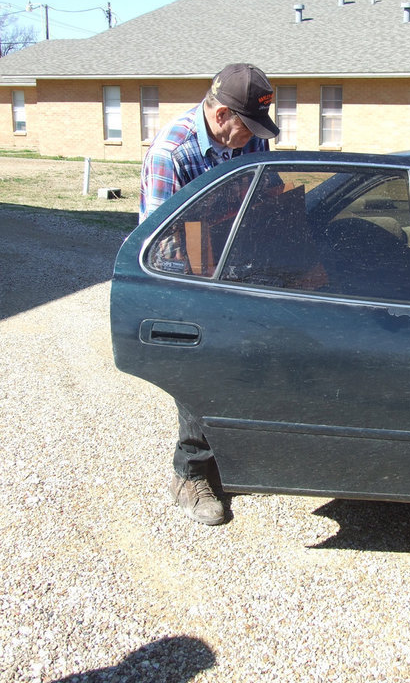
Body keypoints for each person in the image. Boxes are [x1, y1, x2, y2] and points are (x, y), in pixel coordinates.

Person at [139, 63, 279, 525]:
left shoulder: (250, 139)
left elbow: (270, 196)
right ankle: (190, 472)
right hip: (187, 281)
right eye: (248, 128)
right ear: (221, 116)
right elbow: (159, 239)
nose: (256, 139)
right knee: (201, 374)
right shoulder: (172, 154)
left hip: (239, 270)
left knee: (249, 368)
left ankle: (232, 454)